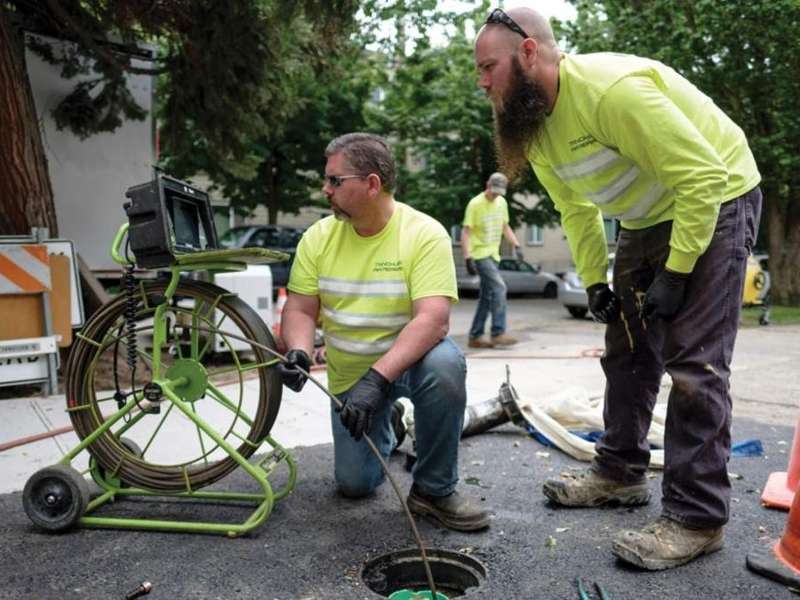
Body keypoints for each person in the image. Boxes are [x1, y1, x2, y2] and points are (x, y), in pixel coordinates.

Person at [475, 7, 762, 570]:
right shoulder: (536, 123)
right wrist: (593, 282)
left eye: (489, 67)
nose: (483, 81)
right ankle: (619, 472)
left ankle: (697, 518)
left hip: (717, 195)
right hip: (643, 217)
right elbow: (575, 207)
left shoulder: (612, 94)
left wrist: (679, 272)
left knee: (695, 364)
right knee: (627, 349)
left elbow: (703, 176)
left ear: (529, 53)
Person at [278, 132, 490, 532]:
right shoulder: (317, 238)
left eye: (335, 181)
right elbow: (301, 308)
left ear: (372, 184)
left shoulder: (424, 234)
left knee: (446, 365)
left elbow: (433, 319)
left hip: (408, 363)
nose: (325, 189)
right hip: (349, 376)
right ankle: (389, 423)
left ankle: (433, 490)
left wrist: (377, 379)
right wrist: (301, 352)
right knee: (355, 485)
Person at [462, 172, 524, 349]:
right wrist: (467, 258)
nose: (495, 195)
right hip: (480, 255)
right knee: (499, 287)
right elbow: (466, 232)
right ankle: (498, 332)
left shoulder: (501, 203)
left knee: (487, 298)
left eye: (499, 192)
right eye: (493, 191)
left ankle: (475, 336)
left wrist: (517, 245)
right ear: (487, 184)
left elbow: (505, 227)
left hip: (494, 255)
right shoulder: (475, 204)